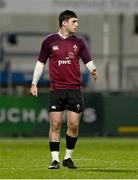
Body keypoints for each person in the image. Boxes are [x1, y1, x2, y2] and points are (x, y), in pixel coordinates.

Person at [30, 10, 98, 169]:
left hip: (74, 89)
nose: (77, 24)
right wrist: (34, 83)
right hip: (57, 89)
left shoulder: (79, 42)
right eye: (74, 21)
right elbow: (40, 63)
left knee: (73, 125)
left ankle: (68, 157)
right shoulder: (49, 41)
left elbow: (88, 61)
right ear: (64, 23)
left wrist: (93, 69)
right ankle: (55, 160)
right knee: (56, 124)